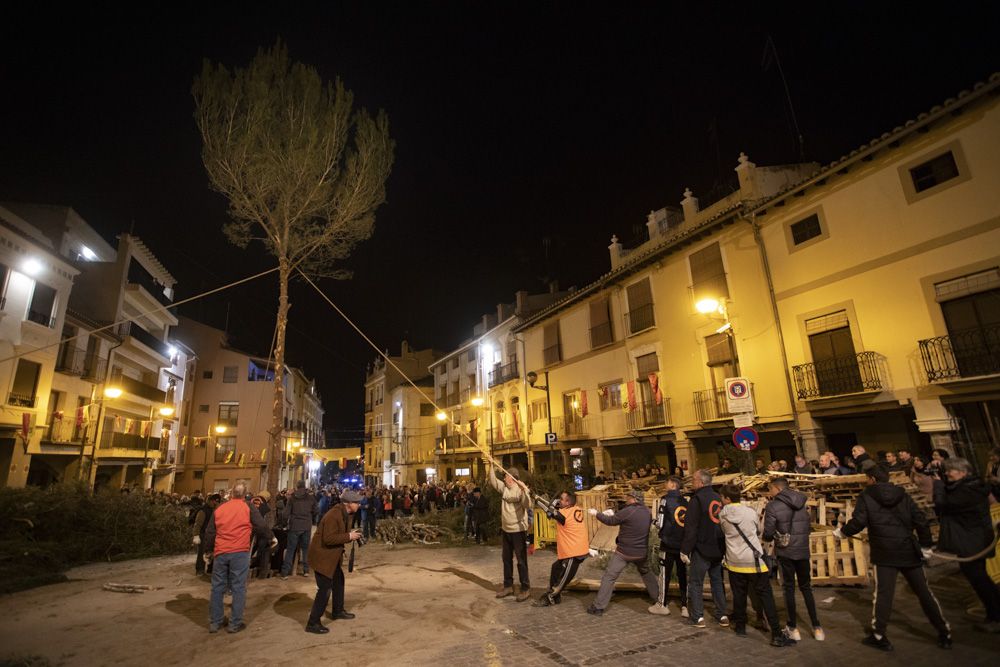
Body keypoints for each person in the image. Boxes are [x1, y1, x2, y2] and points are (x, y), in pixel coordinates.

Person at [835, 466, 951, 651]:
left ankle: (880, 635)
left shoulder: (867, 496)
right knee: (924, 592)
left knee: (883, 594)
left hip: (885, 552)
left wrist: (842, 532)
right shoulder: (902, 495)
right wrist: (926, 545)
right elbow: (920, 519)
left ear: (872, 479)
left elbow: (859, 521)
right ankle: (944, 632)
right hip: (907, 548)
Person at [719, 484, 794, 647]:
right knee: (766, 596)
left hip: (734, 560)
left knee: (739, 594)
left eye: (722, 497)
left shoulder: (722, 515)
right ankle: (776, 633)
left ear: (727, 498)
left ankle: (740, 627)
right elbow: (758, 531)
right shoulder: (750, 512)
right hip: (753, 561)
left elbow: (724, 532)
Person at [933, 457, 1000, 633]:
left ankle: (996, 617)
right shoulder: (969, 486)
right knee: (981, 578)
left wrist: (938, 486)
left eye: (951, 470)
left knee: (979, 580)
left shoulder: (968, 491)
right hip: (972, 539)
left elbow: (943, 504)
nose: (947, 473)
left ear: (963, 472)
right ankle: (995, 613)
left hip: (972, 541)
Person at [203, 482, 271, 633]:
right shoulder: (248, 507)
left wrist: (208, 551)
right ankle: (235, 623)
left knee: (217, 588)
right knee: (238, 587)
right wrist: (271, 537)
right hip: (240, 551)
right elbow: (261, 525)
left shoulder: (220, 508)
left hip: (221, 552)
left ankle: (215, 622)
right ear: (245, 494)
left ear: (232, 493)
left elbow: (210, 532)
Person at [763, 477, 824, 641]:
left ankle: (793, 627)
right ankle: (817, 627)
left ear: (777, 488)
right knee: (806, 587)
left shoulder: (773, 506)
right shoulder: (801, 503)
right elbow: (807, 526)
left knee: (788, 588)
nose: (769, 493)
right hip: (803, 550)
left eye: (770, 489)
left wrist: (770, 537)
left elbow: (768, 533)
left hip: (786, 552)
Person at [586, 488, 658, 616]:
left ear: (634, 499)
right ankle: (659, 599)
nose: (626, 499)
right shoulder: (647, 512)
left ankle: (598, 607)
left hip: (624, 553)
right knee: (647, 573)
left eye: (628, 497)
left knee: (609, 577)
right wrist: (613, 513)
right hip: (641, 553)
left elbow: (611, 521)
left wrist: (597, 513)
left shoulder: (628, 511)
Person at [304, 489, 364, 634]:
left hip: (331, 557)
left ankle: (338, 611)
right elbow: (329, 539)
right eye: (356, 503)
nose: (359, 505)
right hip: (323, 557)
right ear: (348, 503)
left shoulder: (345, 514)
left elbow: (340, 534)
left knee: (339, 581)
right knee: (324, 589)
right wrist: (349, 536)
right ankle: (313, 623)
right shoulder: (334, 515)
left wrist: (352, 535)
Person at [680, 469, 728, 629]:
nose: (692, 483)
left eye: (693, 480)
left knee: (696, 583)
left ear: (700, 482)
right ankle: (722, 614)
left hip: (702, 548)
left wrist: (685, 549)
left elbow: (691, 527)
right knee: (717, 582)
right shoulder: (717, 497)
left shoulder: (697, 499)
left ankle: (698, 617)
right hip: (718, 547)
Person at [534, 490, 589, 607]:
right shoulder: (574, 509)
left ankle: (549, 597)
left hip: (574, 552)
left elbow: (551, 512)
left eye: (562, 499)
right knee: (556, 568)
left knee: (562, 581)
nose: (559, 500)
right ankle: (556, 596)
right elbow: (555, 511)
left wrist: (535, 499)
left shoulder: (565, 514)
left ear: (568, 502)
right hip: (573, 550)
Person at [487, 464, 532, 601]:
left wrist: (525, 491)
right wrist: (490, 466)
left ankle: (525, 588)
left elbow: (527, 505)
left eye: (506, 476)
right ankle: (508, 586)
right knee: (506, 559)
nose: (504, 478)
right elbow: (494, 482)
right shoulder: (504, 489)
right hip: (506, 530)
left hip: (518, 530)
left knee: (521, 561)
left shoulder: (519, 490)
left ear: (512, 478)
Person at [649, 476, 688, 617]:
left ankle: (662, 604)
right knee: (683, 574)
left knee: (664, 574)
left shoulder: (665, 500)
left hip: (668, 543)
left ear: (672, 485)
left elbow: (660, 522)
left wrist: (652, 521)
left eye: (667, 482)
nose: (665, 484)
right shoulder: (684, 501)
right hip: (682, 543)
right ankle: (685, 606)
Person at [281, 480, 318, 579]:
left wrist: (284, 524)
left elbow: (285, 514)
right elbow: (316, 510)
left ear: (297, 487)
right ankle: (306, 570)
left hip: (294, 526)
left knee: (290, 549)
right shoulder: (310, 498)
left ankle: (285, 572)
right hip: (306, 525)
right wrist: (310, 517)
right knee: (305, 549)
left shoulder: (292, 499)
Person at [192, 493, 220, 575]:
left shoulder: (215, 510)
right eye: (214, 502)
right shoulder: (203, 510)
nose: (215, 504)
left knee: (212, 553)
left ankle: (210, 569)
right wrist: (196, 535)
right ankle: (199, 570)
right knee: (202, 553)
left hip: (213, 535)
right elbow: (198, 524)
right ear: (211, 501)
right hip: (203, 535)